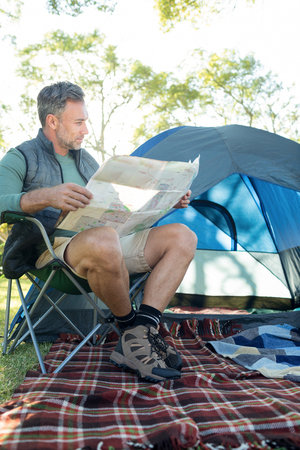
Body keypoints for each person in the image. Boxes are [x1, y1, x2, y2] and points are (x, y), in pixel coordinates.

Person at [0, 81, 197, 382]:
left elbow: (114, 209)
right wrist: (47, 196)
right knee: (105, 239)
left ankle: (141, 332)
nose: (85, 130)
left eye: (86, 122)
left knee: (182, 236)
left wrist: (168, 201)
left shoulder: (87, 160)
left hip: (106, 243)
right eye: (78, 122)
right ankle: (133, 335)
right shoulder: (21, 157)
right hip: (52, 252)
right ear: (52, 121)